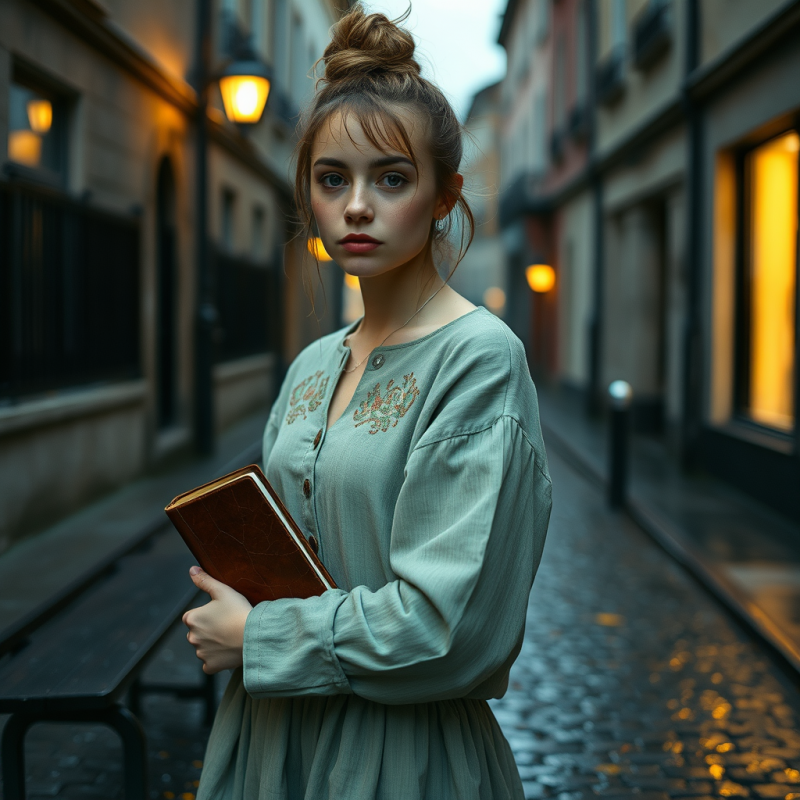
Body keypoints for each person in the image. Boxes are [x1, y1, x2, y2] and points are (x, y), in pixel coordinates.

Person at [182, 4, 552, 798]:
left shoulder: (478, 360)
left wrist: (259, 635)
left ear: (445, 195)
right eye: (331, 179)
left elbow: (451, 630)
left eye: (391, 178)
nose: (356, 205)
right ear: (308, 197)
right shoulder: (314, 362)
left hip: (395, 756)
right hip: (271, 741)